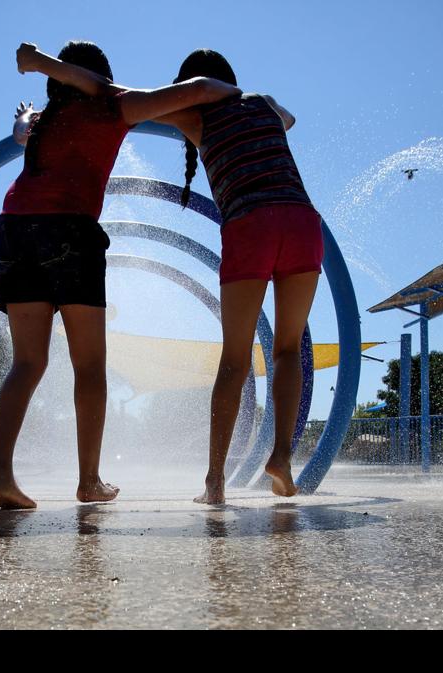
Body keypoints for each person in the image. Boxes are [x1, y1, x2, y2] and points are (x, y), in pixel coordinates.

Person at [0, 41, 239, 510]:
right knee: (90, 367)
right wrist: (237, 95)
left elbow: (20, 131)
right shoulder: (116, 104)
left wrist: (26, 112)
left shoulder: (44, 121)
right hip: (69, 234)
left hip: (13, 231)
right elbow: (198, 89)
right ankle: (89, 480)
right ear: (102, 76)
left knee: (27, 363)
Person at [159, 48, 320, 503]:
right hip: (302, 223)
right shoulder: (264, 102)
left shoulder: (193, 119)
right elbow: (289, 120)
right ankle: (282, 457)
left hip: (250, 225)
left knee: (235, 360)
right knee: (288, 349)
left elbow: (135, 109)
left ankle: (214, 481)